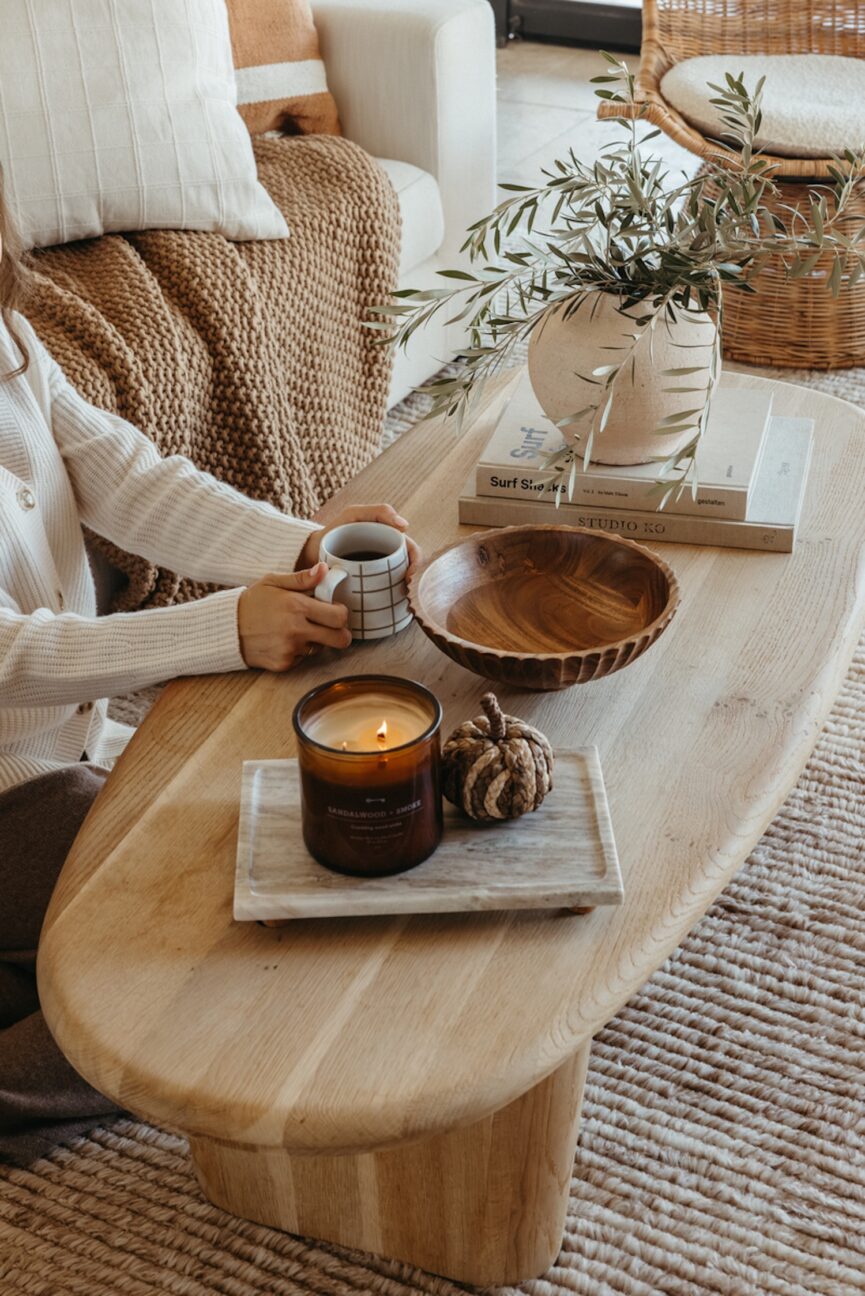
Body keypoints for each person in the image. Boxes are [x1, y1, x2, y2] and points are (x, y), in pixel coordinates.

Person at [0, 182, 417, 1164]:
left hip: (69, 762)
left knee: (266, 875)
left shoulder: (13, 346)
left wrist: (305, 544)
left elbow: (130, 478)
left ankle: (45, 962)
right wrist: (223, 629)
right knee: (252, 930)